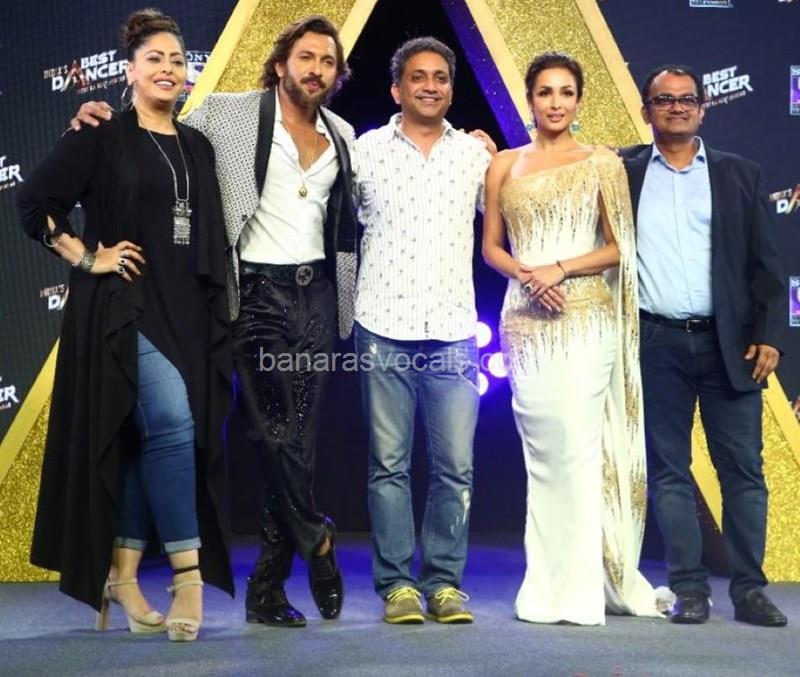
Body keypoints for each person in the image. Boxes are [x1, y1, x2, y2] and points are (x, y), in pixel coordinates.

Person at [18, 9, 233, 642]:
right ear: (131, 71)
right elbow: (33, 202)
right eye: (154, 59)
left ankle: (124, 576)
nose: (167, 68)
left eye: (177, 60)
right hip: (124, 308)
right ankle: (188, 577)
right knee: (171, 421)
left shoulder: (197, 144)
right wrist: (87, 256)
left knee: (144, 438)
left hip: (185, 313)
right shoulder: (101, 133)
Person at [483, 52, 665, 625]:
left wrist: (558, 269)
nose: (556, 102)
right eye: (545, 92)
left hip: (585, 321)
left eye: (566, 92)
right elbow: (491, 248)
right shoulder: (503, 164)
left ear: (579, 101)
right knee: (543, 456)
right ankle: (544, 589)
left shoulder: (601, 163)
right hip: (525, 322)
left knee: (579, 452)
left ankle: (582, 592)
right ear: (530, 100)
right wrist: (529, 276)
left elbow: (618, 247)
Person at [621, 64, 788, 626]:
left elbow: (767, 266)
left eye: (687, 98)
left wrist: (769, 334)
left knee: (743, 471)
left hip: (731, 347)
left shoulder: (740, 174)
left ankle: (750, 591)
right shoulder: (622, 172)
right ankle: (689, 587)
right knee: (669, 471)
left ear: (703, 108)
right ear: (646, 110)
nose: (676, 107)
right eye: (664, 99)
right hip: (655, 342)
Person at [353, 37, 494, 624]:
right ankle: (397, 586)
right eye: (418, 77)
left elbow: (514, 219)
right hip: (381, 324)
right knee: (389, 465)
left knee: (455, 467)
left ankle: (442, 583)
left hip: (454, 329)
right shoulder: (363, 151)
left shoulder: (477, 157)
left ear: (451, 90)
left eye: (440, 77)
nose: (430, 86)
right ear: (397, 88)